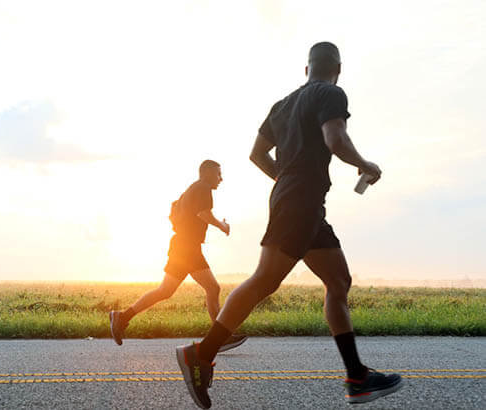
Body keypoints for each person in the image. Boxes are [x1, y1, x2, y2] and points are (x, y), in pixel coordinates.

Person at [175, 43, 402, 409]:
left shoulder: (282, 106)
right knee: (265, 279)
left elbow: (257, 154)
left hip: (303, 202)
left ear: (307, 66)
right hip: (300, 201)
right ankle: (200, 354)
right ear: (338, 68)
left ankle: (357, 377)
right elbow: (336, 139)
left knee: (338, 281)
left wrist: (285, 178)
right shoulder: (331, 92)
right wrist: (366, 165)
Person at [109, 160, 247, 352]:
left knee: (165, 291)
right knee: (213, 288)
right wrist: (223, 226)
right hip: (188, 247)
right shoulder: (203, 188)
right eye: (218, 174)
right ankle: (220, 337)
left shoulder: (192, 189)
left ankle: (122, 317)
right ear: (207, 173)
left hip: (181, 245)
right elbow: (204, 214)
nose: (221, 179)